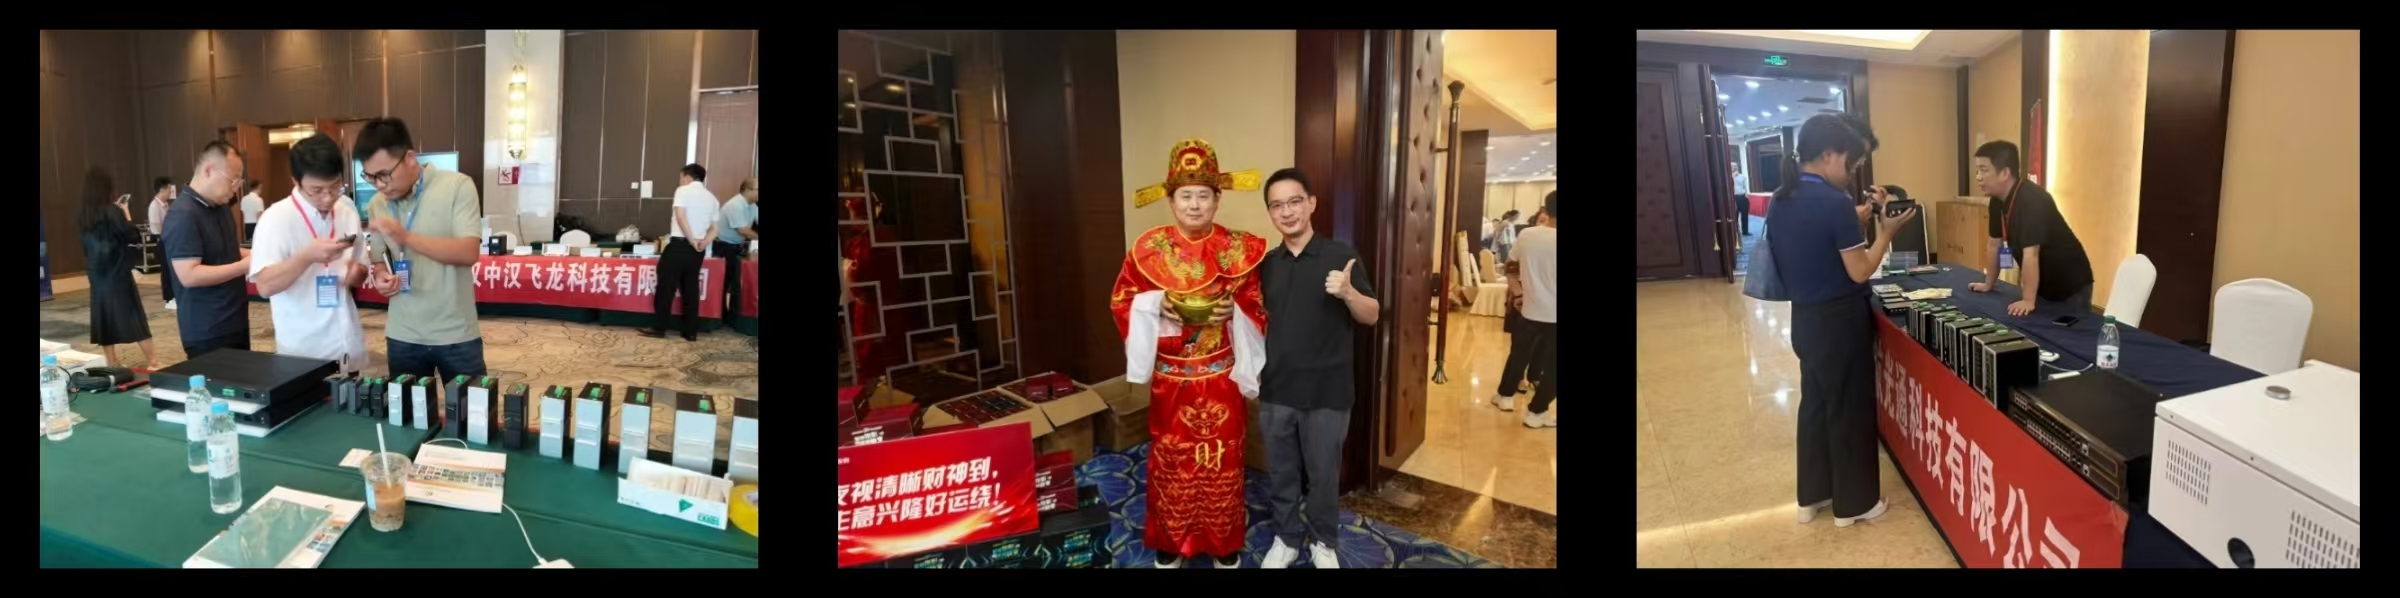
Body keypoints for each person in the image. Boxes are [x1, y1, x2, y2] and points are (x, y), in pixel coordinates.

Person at [1109, 138, 1266, 569]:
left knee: (1223, 458)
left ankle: (1223, 541)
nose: (1194, 205)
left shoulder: (1238, 249)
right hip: (1173, 378)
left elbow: (1258, 305)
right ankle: (1170, 539)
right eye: (1186, 196)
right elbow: (1122, 300)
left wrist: (1236, 310)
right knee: (1172, 458)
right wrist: (1154, 305)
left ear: (1217, 199)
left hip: (1220, 376)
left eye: (1203, 196)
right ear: (1171, 201)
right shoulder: (1150, 249)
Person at [1765, 113, 1914, 528]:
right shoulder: (1834, 203)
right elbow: (1860, 270)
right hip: (1840, 322)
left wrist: (1855, 224)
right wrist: (1885, 233)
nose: (1851, 173)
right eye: (1850, 163)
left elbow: (1810, 249)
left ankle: (1812, 496)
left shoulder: (1781, 198)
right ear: (1829, 154)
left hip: (1805, 320)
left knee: (1815, 405)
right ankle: (1855, 504)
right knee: (1849, 410)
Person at [1255, 168, 1377, 569]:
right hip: (1277, 388)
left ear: (1311, 203)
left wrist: (1349, 293)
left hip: (1328, 390)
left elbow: (1372, 315)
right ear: (1270, 213)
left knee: (1324, 475)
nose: (1287, 212)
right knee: (1282, 472)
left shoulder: (1340, 255)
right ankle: (1287, 538)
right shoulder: (1267, 265)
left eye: (1294, 201)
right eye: (1277, 205)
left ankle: (1323, 541)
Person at [356, 118, 488, 384]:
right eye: (370, 177)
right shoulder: (378, 204)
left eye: (384, 174)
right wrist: (381, 276)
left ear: (409, 158)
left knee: (471, 408)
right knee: (407, 409)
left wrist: (406, 237)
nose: (378, 184)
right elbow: (379, 258)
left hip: (455, 333)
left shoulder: (457, 187)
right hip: (402, 334)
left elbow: (468, 252)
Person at [248, 134, 367, 373]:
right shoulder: (276, 219)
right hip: (304, 352)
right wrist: (306, 257)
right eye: (317, 190)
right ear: (296, 181)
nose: (328, 197)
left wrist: (356, 274)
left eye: (335, 186)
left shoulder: (346, 213)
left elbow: (361, 269)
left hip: (347, 345)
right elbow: (265, 286)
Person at [1969, 140, 2095, 317]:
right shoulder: (1996, 201)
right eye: (1977, 171)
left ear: (2004, 173)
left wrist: (2028, 299)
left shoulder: (2033, 199)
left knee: (2064, 331)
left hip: (2070, 283)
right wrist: (1988, 283)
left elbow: (2031, 254)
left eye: (1984, 170)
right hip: (2042, 282)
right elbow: (1994, 245)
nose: (1978, 177)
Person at [163, 141, 254, 358]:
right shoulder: (183, 214)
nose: (235, 189)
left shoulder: (220, 207)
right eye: (232, 181)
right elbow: (189, 275)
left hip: (236, 320)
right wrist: (245, 265)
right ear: (209, 171)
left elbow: (225, 251)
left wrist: (256, 254)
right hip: (207, 330)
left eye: (239, 182)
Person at [76, 168, 158, 370]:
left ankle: (111, 361)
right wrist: (126, 212)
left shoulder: (82, 214)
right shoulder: (111, 210)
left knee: (103, 316)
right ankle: (152, 361)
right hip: (117, 271)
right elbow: (131, 235)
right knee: (133, 315)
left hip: (96, 274)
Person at [1491, 191, 1558, 428]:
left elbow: (1510, 266)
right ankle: (1537, 412)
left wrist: (1518, 292)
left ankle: (1504, 396)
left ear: (1546, 209)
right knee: (1553, 367)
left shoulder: (1528, 234)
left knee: (1518, 355)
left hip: (1530, 309)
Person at [642, 164, 720, 341]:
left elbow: (681, 217)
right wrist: (703, 242)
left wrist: (691, 240)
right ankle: (690, 331)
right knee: (691, 288)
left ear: (688, 177)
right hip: (698, 249)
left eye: (681, 178)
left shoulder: (682, 191)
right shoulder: (712, 198)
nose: (681, 181)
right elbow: (715, 228)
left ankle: (660, 327)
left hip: (679, 245)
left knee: (666, 287)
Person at [715, 176, 758, 324]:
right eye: (758, 190)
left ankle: (733, 316)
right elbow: (743, 230)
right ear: (747, 190)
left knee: (736, 283)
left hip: (736, 247)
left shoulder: (752, 206)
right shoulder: (735, 205)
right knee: (724, 282)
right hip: (724, 247)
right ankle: (721, 316)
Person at [147, 176, 179, 311]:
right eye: (169, 189)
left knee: (171, 269)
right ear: (162, 189)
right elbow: (157, 228)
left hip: (168, 239)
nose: (170, 192)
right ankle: (168, 299)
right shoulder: (154, 206)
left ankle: (173, 296)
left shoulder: (165, 204)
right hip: (161, 240)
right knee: (165, 270)